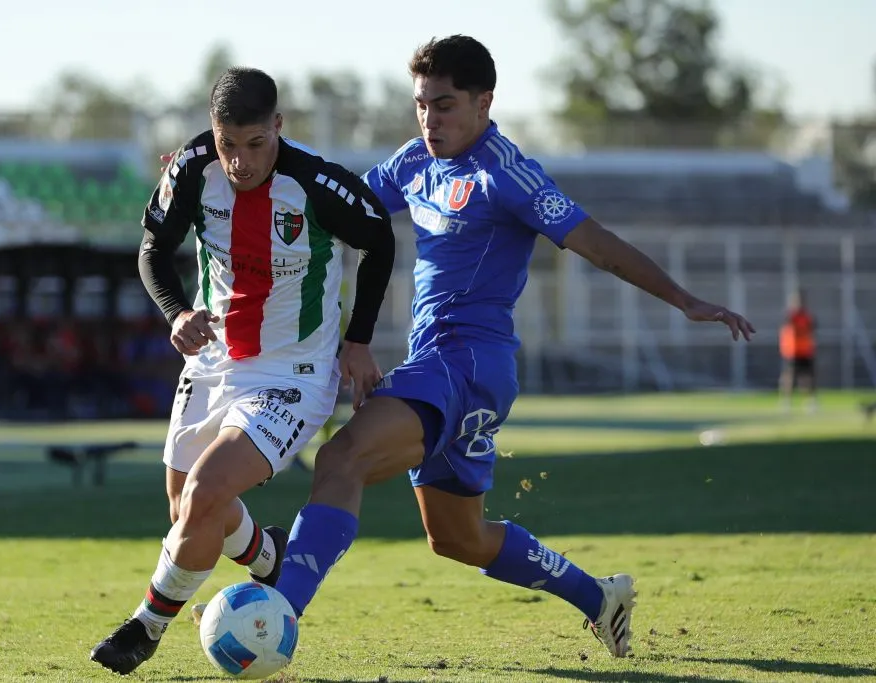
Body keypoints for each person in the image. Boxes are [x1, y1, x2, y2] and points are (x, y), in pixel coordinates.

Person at [262, 35, 755, 661]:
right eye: (421, 105)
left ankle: (276, 616)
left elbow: (594, 241)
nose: (429, 119)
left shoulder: (506, 173)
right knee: (457, 539)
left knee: (340, 461)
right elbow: (336, 203)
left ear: (483, 101)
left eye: (443, 106)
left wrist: (683, 299)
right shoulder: (414, 163)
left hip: (466, 363)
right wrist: (225, 170)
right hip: (439, 364)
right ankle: (600, 598)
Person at [89, 66, 396, 675]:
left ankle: (145, 627)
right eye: (228, 144)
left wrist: (357, 341)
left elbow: (381, 241)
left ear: (278, 126)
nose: (240, 161)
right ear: (213, 130)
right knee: (188, 510)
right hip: (212, 360)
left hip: (295, 371)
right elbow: (152, 249)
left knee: (206, 492)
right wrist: (176, 314)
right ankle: (265, 558)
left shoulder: (316, 181)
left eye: (256, 144)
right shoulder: (192, 168)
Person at [778, 290, 818, 413]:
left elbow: (811, 331)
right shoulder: (790, 316)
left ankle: (810, 401)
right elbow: (786, 330)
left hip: (805, 351)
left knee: (808, 377)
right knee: (790, 376)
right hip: (792, 351)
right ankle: (786, 401)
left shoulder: (808, 316)